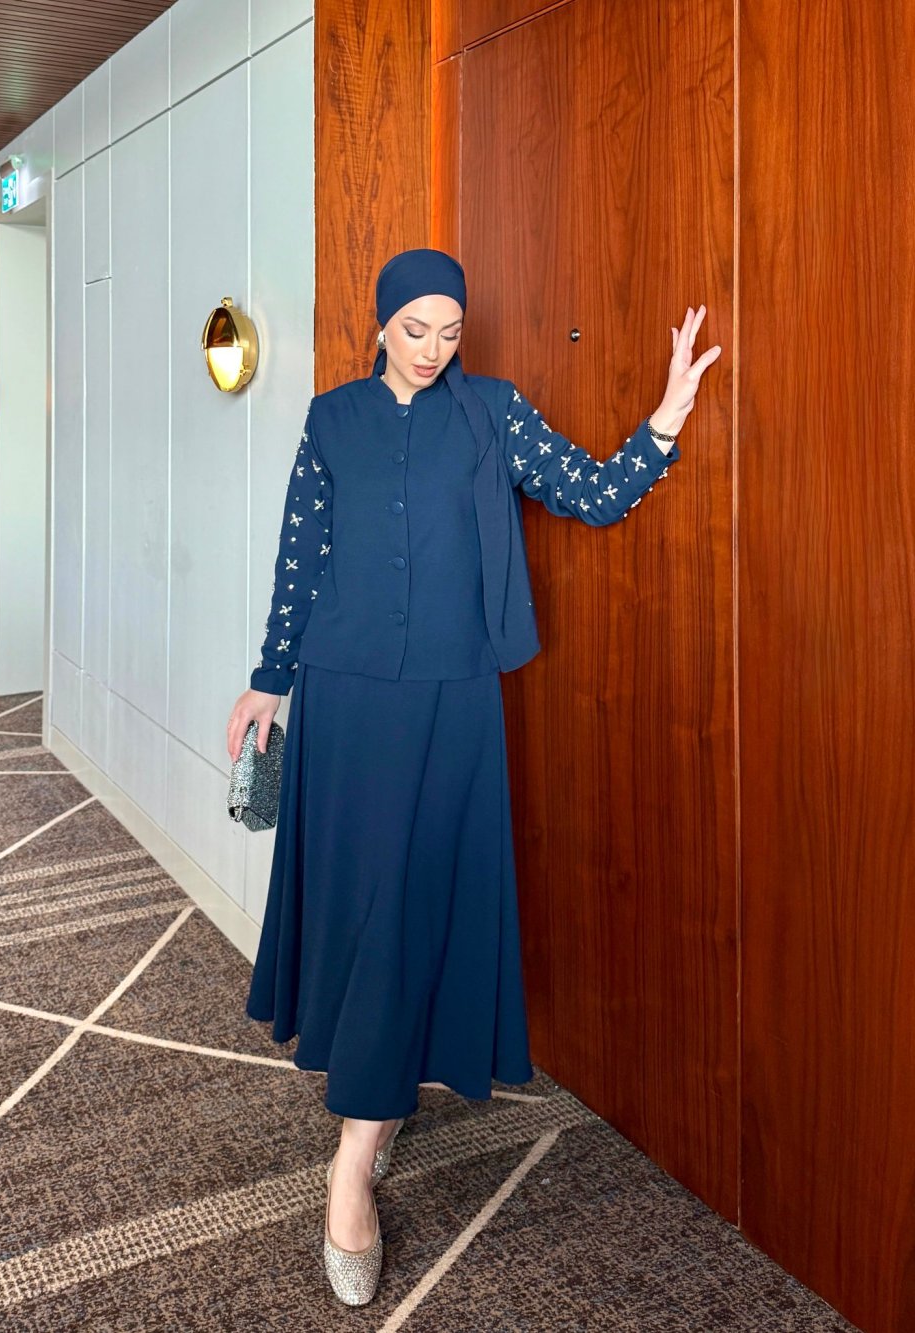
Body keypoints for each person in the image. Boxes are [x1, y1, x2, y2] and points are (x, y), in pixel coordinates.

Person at [226, 248, 720, 1306]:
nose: (433, 349)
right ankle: (357, 1155)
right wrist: (269, 678)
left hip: (455, 705)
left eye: (450, 332)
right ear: (381, 324)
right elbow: (300, 559)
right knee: (368, 906)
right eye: (416, 329)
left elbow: (592, 495)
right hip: (347, 699)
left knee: (422, 901)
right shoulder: (331, 420)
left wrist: (667, 413)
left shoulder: (493, 413)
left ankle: (365, 1131)